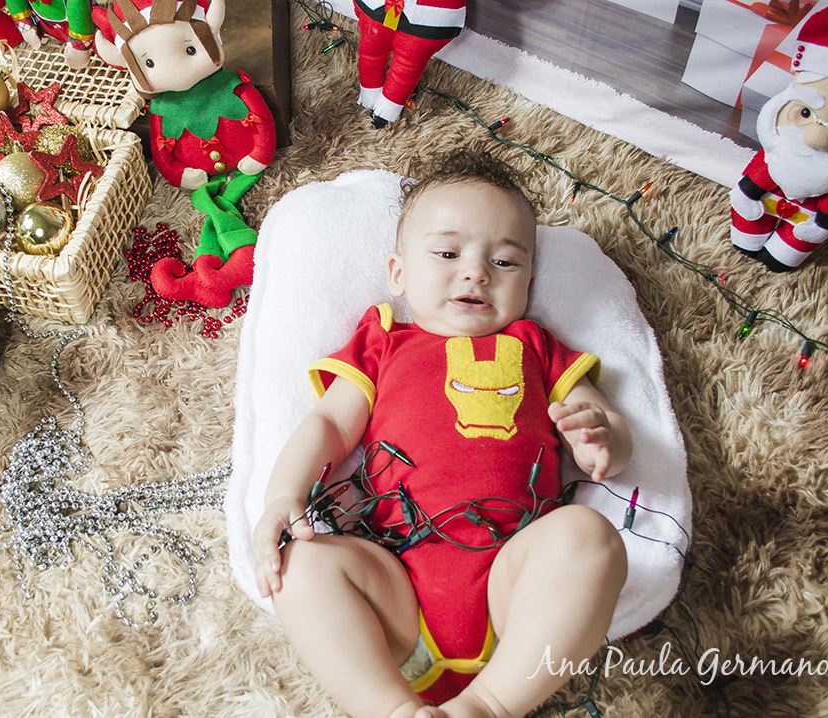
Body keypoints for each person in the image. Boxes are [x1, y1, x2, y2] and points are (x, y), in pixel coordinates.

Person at [252, 153, 631, 718]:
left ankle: (491, 704)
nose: (476, 272)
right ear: (399, 273)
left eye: (504, 261)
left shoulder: (536, 346)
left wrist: (603, 440)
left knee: (590, 536)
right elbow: (330, 424)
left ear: (530, 280)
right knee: (300, 566)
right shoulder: (384, 342)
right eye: (449, 254)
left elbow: (612, 436)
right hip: (397, 586)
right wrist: (282, 496)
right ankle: (389, 707)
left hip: (515, 586)